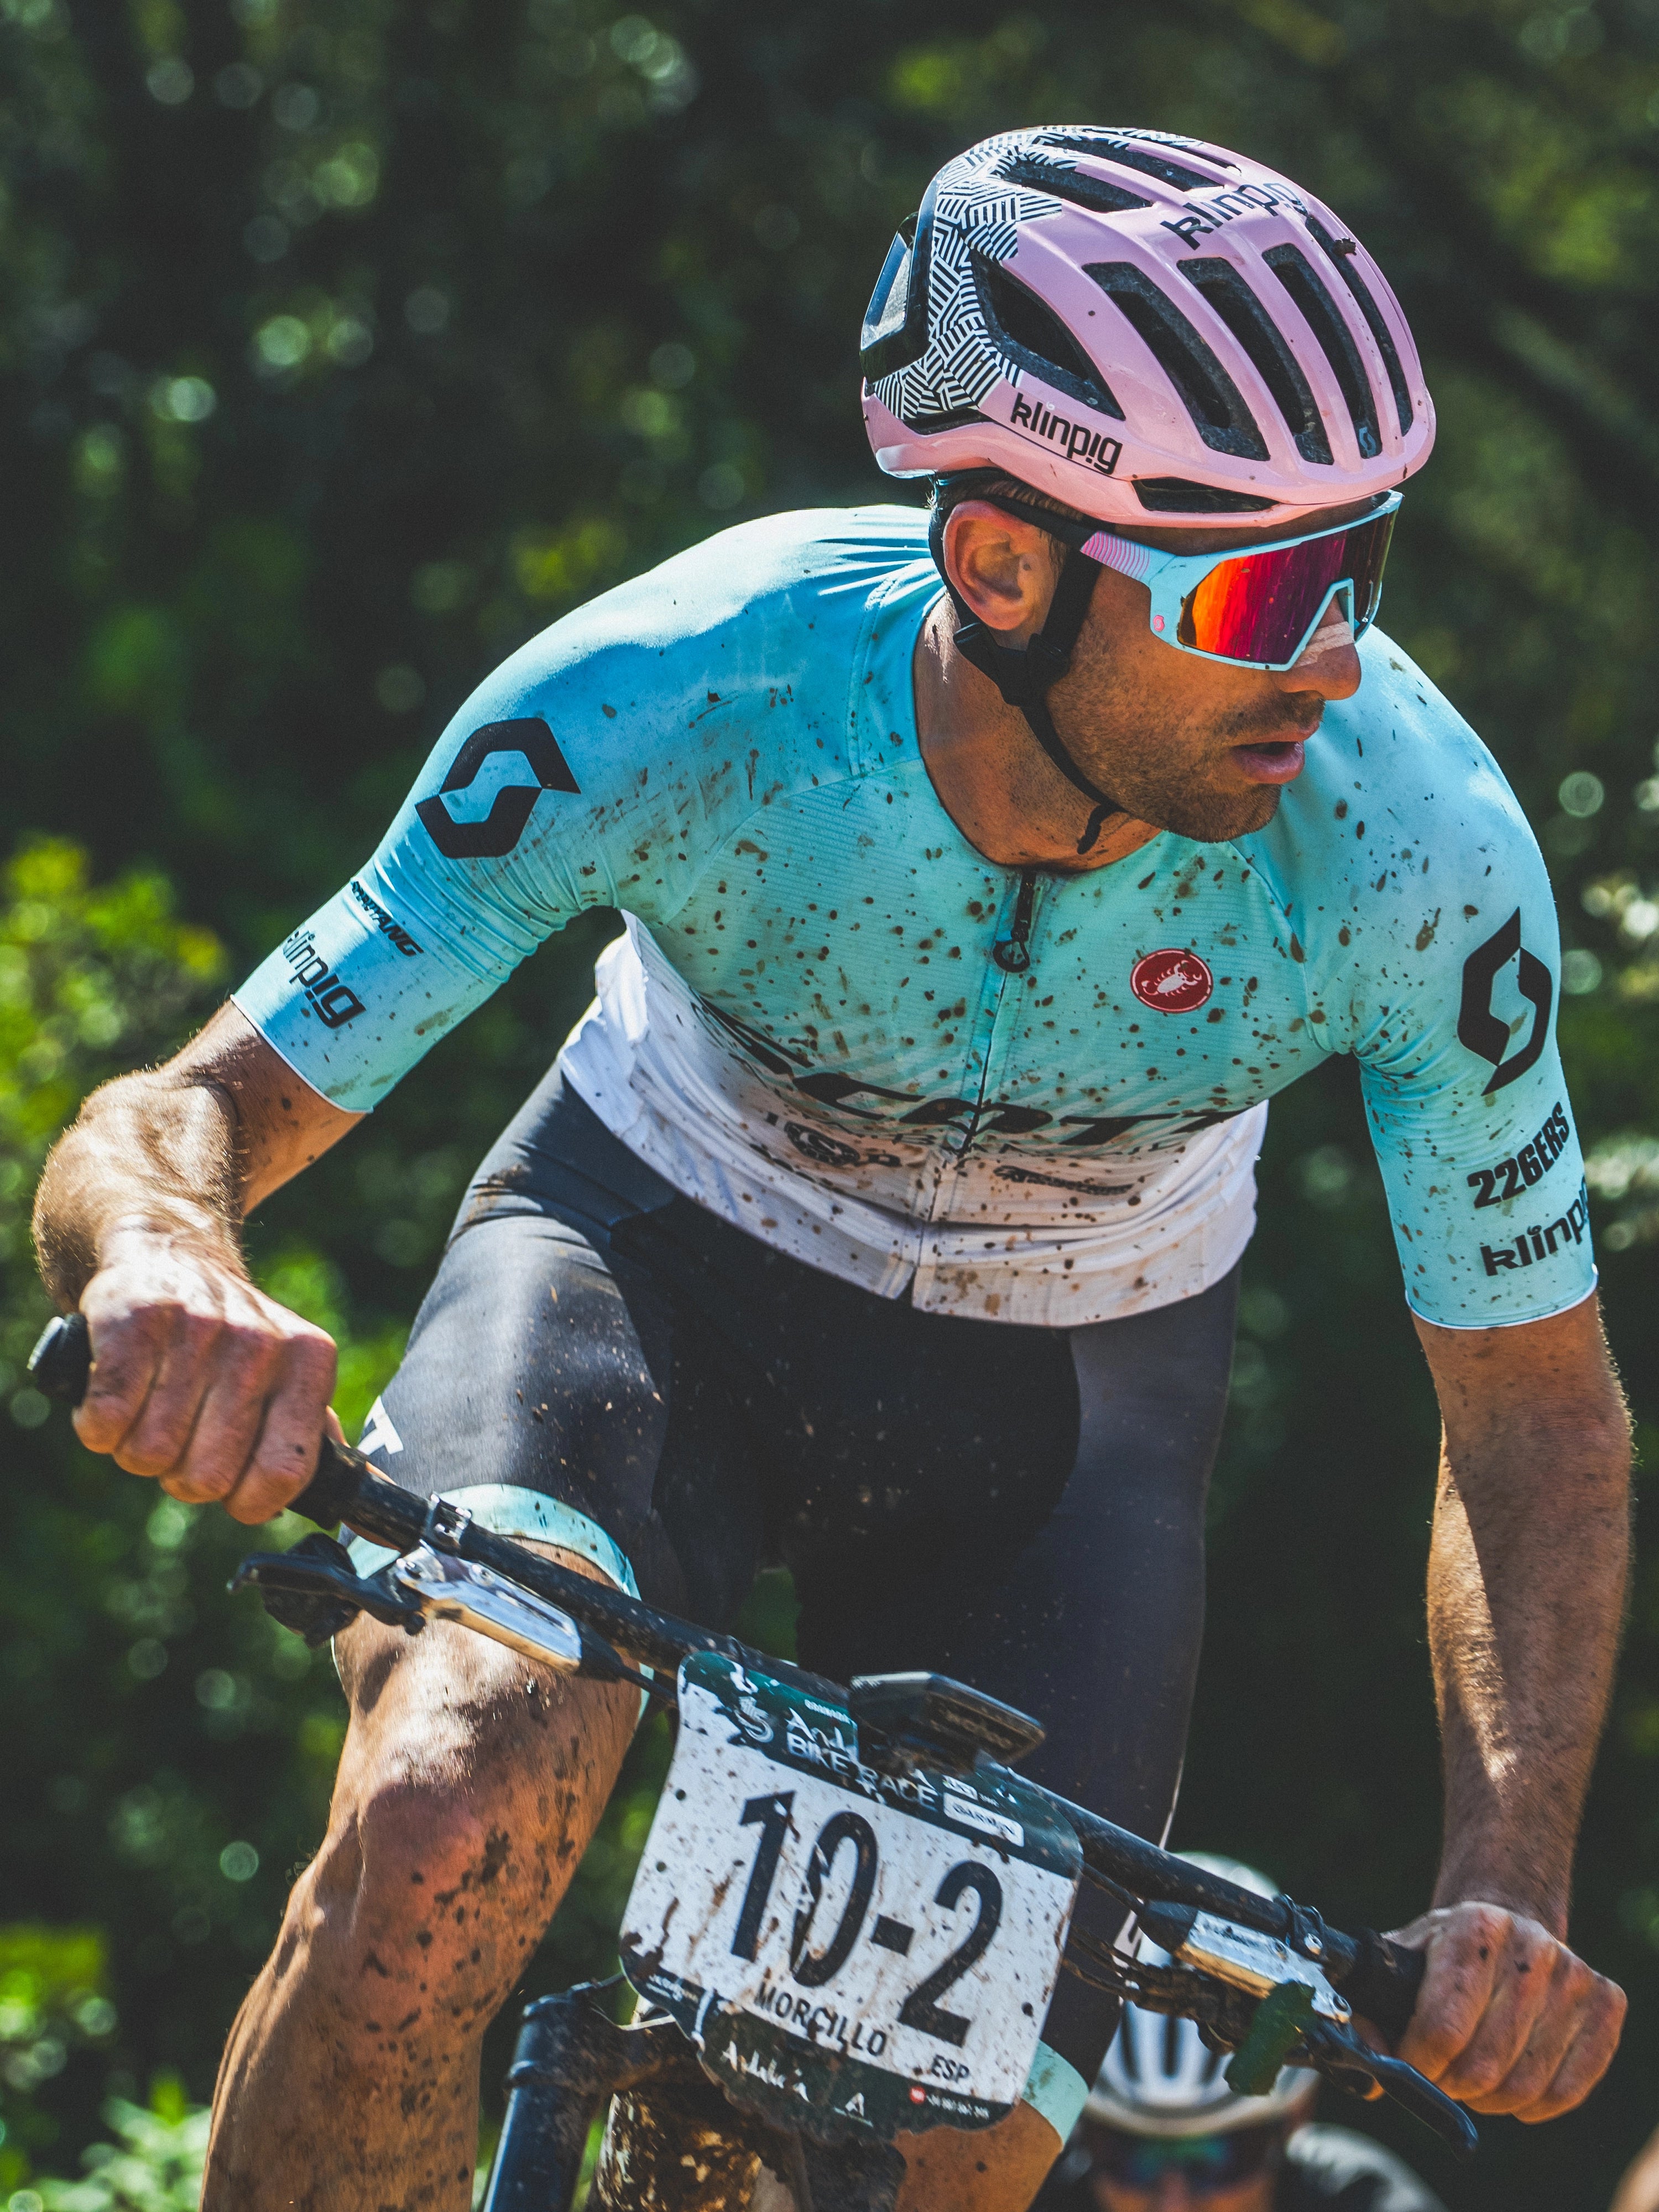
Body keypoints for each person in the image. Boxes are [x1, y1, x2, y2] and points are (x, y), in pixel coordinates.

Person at [33, 125, 1629, 2212]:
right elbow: (181, 1115)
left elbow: (1529, 1411)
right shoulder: (690, 685)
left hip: (1058, 1417)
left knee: (950, 2149)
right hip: (648, 1275)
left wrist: (1499, 1877)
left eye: (1359, 571)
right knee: (437, 1826)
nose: (1326, 663)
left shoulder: (1417, 851)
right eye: (1254, 587)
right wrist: (171, 1259)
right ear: (998, 565)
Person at [1037, 1859, 1446, 2212]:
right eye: (1128, 2157)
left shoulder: (1364, 2200)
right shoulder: (1021, 2191)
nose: (1172, 2206)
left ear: (1293, 2121)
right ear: (1079, 2133)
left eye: (1217, 2161)